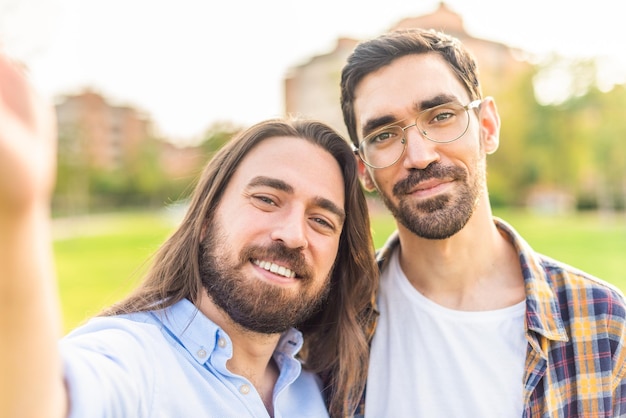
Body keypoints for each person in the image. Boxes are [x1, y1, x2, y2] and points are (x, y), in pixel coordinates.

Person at [0, 53, 379, 418]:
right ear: (204, 220)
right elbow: (38, 403)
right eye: (266, 199)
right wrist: (17, 212)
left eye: (321, 221)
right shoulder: (135, 361)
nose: (294, 234)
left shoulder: (322, 386)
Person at [338, 28, 626, 417]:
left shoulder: (604, 324)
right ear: (364, 170)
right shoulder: (331, 324)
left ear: (487, 126)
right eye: (385, 134)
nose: (419, 155)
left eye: (441, 116)